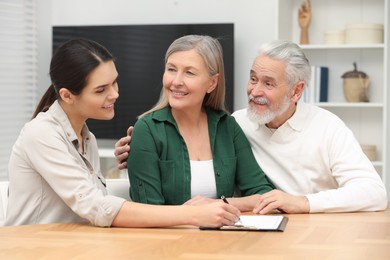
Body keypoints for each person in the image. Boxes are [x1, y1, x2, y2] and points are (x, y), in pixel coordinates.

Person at [115, 40, 388, 214]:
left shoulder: (327, 128)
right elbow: (148, 206)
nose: (255, 91)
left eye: (268, 83)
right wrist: (136, 148)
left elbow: (374, 193)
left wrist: (301, 202)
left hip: (319, 230)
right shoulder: (239, 122)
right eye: (253, 78)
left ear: (296, 91)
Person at [5, 38, 241, 228]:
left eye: (114, 83)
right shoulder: (41, 133)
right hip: (34, 248)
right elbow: (96, 207)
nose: (115, 94)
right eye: (101, 90)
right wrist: (192, 215)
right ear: (67, 96)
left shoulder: (88, 139)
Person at [126, 35, 275, 211]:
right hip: (168, 238)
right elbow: (148, 211)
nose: (176, 82)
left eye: (189, 72)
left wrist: (220, 204)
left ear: (212, 83)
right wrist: (199, 214)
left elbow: (263, 195)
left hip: (223, 237)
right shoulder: (147, 129)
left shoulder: (228, 127)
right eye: (171, 69)